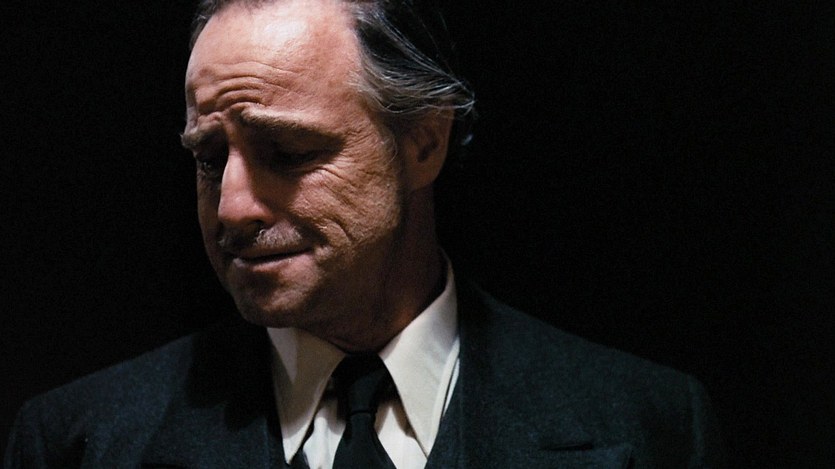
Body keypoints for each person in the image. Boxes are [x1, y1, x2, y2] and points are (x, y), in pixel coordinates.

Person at [4, 0, 724, 467]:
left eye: (288, 152)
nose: (231, 208)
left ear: (423, 144)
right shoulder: (74, 442)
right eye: (209, 158)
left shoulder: (651, 424)